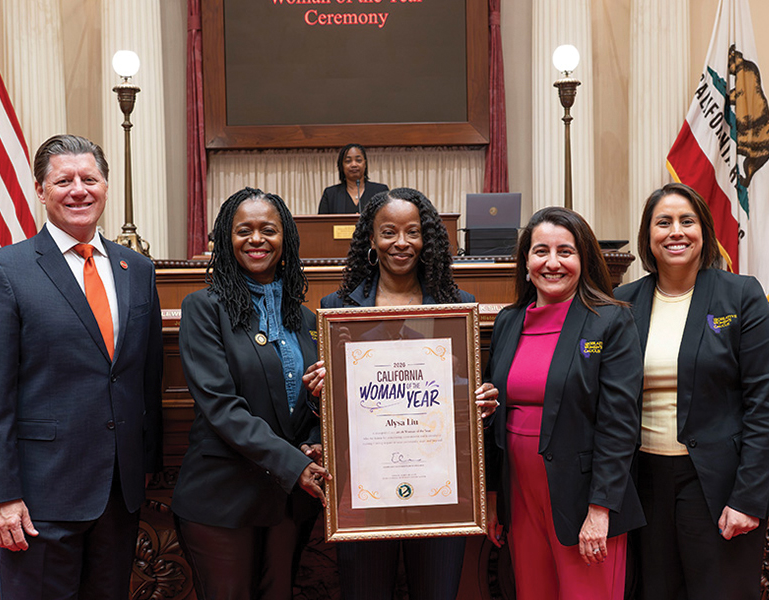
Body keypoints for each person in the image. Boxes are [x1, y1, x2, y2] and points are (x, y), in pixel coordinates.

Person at [0, 134, 164, 600]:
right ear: (40, 190)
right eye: (64, 180)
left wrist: (145, 465)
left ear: (106, 187)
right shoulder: (6, 270)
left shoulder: (138, 268)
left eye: (89, 179)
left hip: (118, 495)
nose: (79, 190)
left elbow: (146, 377)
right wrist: (0, 496)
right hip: (36, 501)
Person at [306, 187, 499, 599]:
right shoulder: (338, 309)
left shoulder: (457, 307)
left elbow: (465, 396)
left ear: (426, 238)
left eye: (413, 232)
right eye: (388, 232)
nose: (401, 243)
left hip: (442, 487)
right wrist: (318, 390)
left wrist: (481, 401)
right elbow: (330, 410)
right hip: (364, 487)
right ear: (371, 240)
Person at [614, 183, 769, 600]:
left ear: (704, 232)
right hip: (646, 485)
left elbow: (765, 405)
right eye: (664, 222)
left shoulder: (741, 295)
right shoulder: (623, 302)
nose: (676, 232)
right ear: (648, 236)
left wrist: (747, 497)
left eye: (686, 221)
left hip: (720, 485)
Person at [172, 187, 331, 600]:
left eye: (268, 230)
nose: (256, 239)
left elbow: (311, 403)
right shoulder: (203, 309)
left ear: (286, 240)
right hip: (222, 499)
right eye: (244, 230)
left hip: (287, 503)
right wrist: (295, 464)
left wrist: (314, 444)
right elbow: (221, 407)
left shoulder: (309, 320)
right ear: (227, 238)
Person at [484, 206, 645, 600]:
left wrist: (600, 509)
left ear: (583, 259)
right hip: (520, 497)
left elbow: (619, 423)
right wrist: (492, 500)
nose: (552, 263)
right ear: (525, 262)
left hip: (584, 499)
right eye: (541, 251)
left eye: (565, 252)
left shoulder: (610, 321)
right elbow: (493, 414)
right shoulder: (508, 321)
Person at [317, 143, 389, 214]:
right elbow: (322, 224)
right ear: (342, 166)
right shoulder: (330, 194)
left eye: (358, 160)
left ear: (365, 164)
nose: (354, 165)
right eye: (348, 161)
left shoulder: (380, 191)